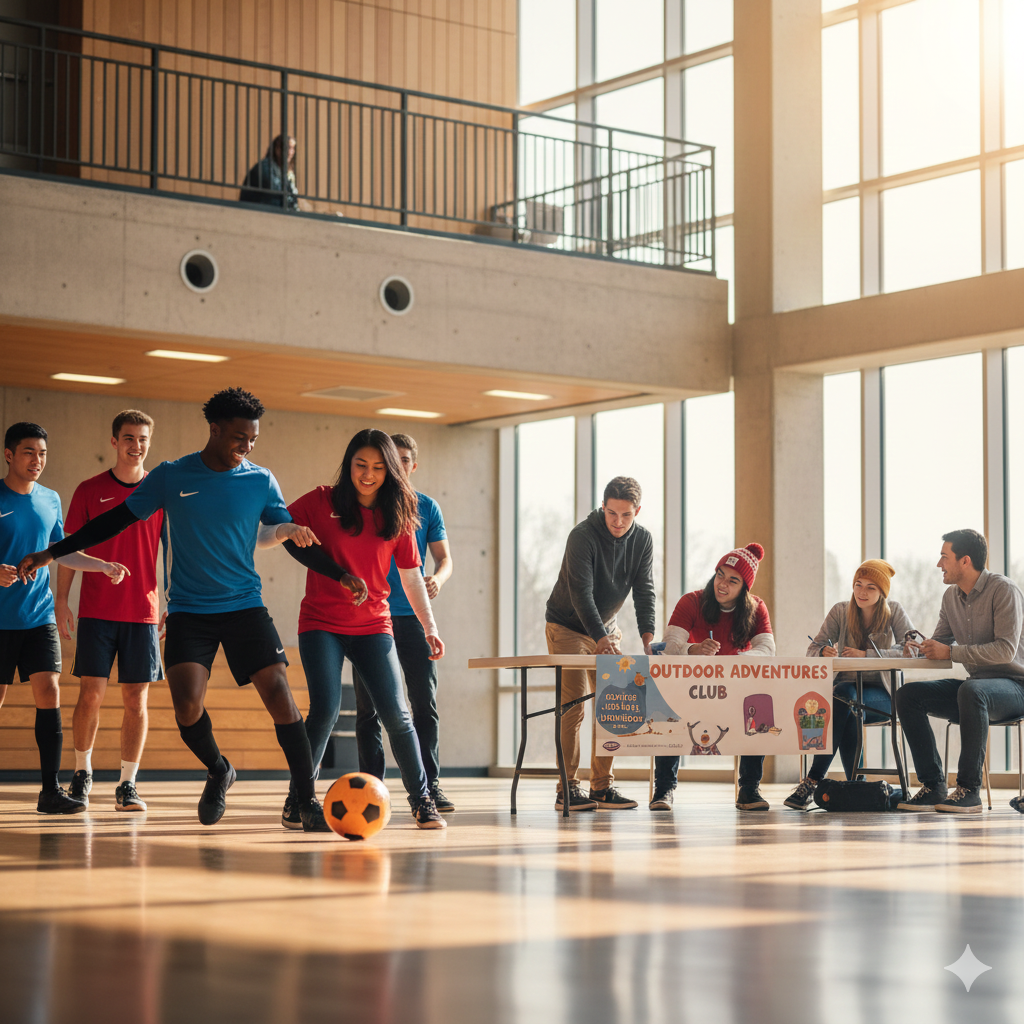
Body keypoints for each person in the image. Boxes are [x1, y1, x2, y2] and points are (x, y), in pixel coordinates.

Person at [17, 389, 361, 831]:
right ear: (214, 430)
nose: (247, 446)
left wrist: (338, 573)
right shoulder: (170, 475)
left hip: (244, 607)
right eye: (239, 437)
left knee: (279, 694)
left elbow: (290, 537)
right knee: (186, 707)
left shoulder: (260, 479)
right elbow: (112, 521)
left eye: (253, 438)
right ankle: (219, 769)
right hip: (190, 612)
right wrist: (50, 554)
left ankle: (305, 798)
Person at [286, 429, 447, 830]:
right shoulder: (322, 500)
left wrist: (429, 626)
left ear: (391, 469)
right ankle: (298, 800)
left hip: (374, 624)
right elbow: (274, 530)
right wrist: (287, 531)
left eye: (378, 467)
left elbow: (412, 577)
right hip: (321, 623)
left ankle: (422, 801)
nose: (368, 474)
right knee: (324, 710)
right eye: (361, 465)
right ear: (349, 464)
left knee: (398, 714)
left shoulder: (400, 511)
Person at [1, 422, 129, 814]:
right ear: (8, 455)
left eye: (42, 453)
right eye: (28, 452)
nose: (36, 460)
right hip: (1, 621)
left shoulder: (51, 499)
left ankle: (49, 791)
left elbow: (61, 551)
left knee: (50, 694)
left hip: (39, 617)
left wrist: (101, 564)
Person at [56, 410, 166, 813]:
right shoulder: (89, 490)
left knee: (137, 701)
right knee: (92, 695)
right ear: (114, 442)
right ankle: (82, 773)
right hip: (97, 612)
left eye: (142, 439)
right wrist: (61, 599)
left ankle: (127, 784)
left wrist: (173, 601)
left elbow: (173, 553)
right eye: (128, 438)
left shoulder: (159, 492)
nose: (136, 445)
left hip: (143, 612)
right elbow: (67, 550)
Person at [353, 433, 455, 812]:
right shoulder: (364, 505)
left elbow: (445, 560)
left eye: (405, 458)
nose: (399, 464)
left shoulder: (427, 507)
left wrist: (437, 579)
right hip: (369, 620)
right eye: (391, 458)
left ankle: (430, 786)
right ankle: (369, 790)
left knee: (422, 704)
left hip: (412, 619)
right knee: (369, 711)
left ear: (413, 464)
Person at [545, 476, 655, 812]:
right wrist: (600, 639)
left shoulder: (643, 540)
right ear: (602, 506)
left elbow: (644, 590)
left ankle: (602, 787)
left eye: (626, 515)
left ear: (637, 511)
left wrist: (648, 637)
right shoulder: (582, 536)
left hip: (608, 629)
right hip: (567, 626)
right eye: (611, 514)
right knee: (574, 707)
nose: (618, 522)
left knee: (612, 706)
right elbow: (582, 594)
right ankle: (567, 787)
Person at [896, 529, 1024, 814]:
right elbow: (941, 643)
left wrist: (951, 653)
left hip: (1015, 687)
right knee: (907, 695)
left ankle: (968, 789)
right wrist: (920, 647)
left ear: (965, 561)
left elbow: (1005, 650)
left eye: (944, 557)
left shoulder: (1004, 590)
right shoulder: (951, 598)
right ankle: (933, 786)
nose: (939, 564)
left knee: (971, 690)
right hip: (976, 689)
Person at [783, 560, 916, 810]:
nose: (862, 593)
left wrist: (868, 656)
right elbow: (813, 648)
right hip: (845, 693)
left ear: (882, 593)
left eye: (871, 588)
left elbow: (911, 650)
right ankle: (858, 785)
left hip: (884, 694)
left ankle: (813, 780)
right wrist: (823, 651)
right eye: (858, 585)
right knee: (845, 699)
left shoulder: (894, 611)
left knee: (843, 700)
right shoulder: (840, 611)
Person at [651, 543, 774, 812]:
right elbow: (668, 647)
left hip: (734, 689)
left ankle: (749, 789)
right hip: (691, 688)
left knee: (760, 707)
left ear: (744, 588)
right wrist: (693, 650)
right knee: (668, 704)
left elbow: (767, 650)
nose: (722, 584)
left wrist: (730, 664)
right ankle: (664, 789)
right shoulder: (692, 601)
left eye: (733, 580)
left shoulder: (756, 608)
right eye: (720, 574)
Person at [240, 134, 299, 210]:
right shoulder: (265, 167)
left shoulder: (280, 171)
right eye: (288, 148)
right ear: (277, 149)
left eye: (293, 148)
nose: (291, 152)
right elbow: (275, 190)